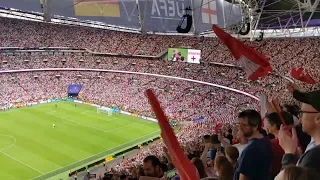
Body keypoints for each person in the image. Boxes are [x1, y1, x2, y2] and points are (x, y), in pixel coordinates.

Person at [279, 84, 320, 174]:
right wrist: (300, 158)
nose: (299, 119)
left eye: (301, 113)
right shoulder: (313, 147)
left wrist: (288, 153)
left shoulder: (314, 156)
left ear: (318, 118)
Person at [234, 110, 272, 180]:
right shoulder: (265, 140)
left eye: (244, 125)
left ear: (255, 127)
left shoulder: (250, 150)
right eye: (239, 124)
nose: (240, 128)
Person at [266, 111, 294, 178]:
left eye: (268, 123)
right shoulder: (293, 140)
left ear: (274, 126)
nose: (266, 126)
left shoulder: (271, 144)